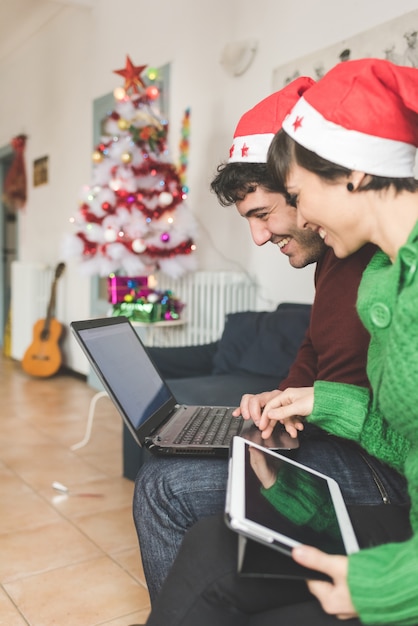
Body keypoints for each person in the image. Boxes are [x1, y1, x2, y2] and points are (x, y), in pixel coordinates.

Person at [144, 58, 418, 625]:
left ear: (349, 173)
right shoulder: (370, 275)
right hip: (376, 458)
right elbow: (382, 412)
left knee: (168, 490)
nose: (264, 234)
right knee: (207, 540)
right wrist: (301, 402)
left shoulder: (374, 271)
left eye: (288, 196)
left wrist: (383, 585)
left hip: (384, 488)